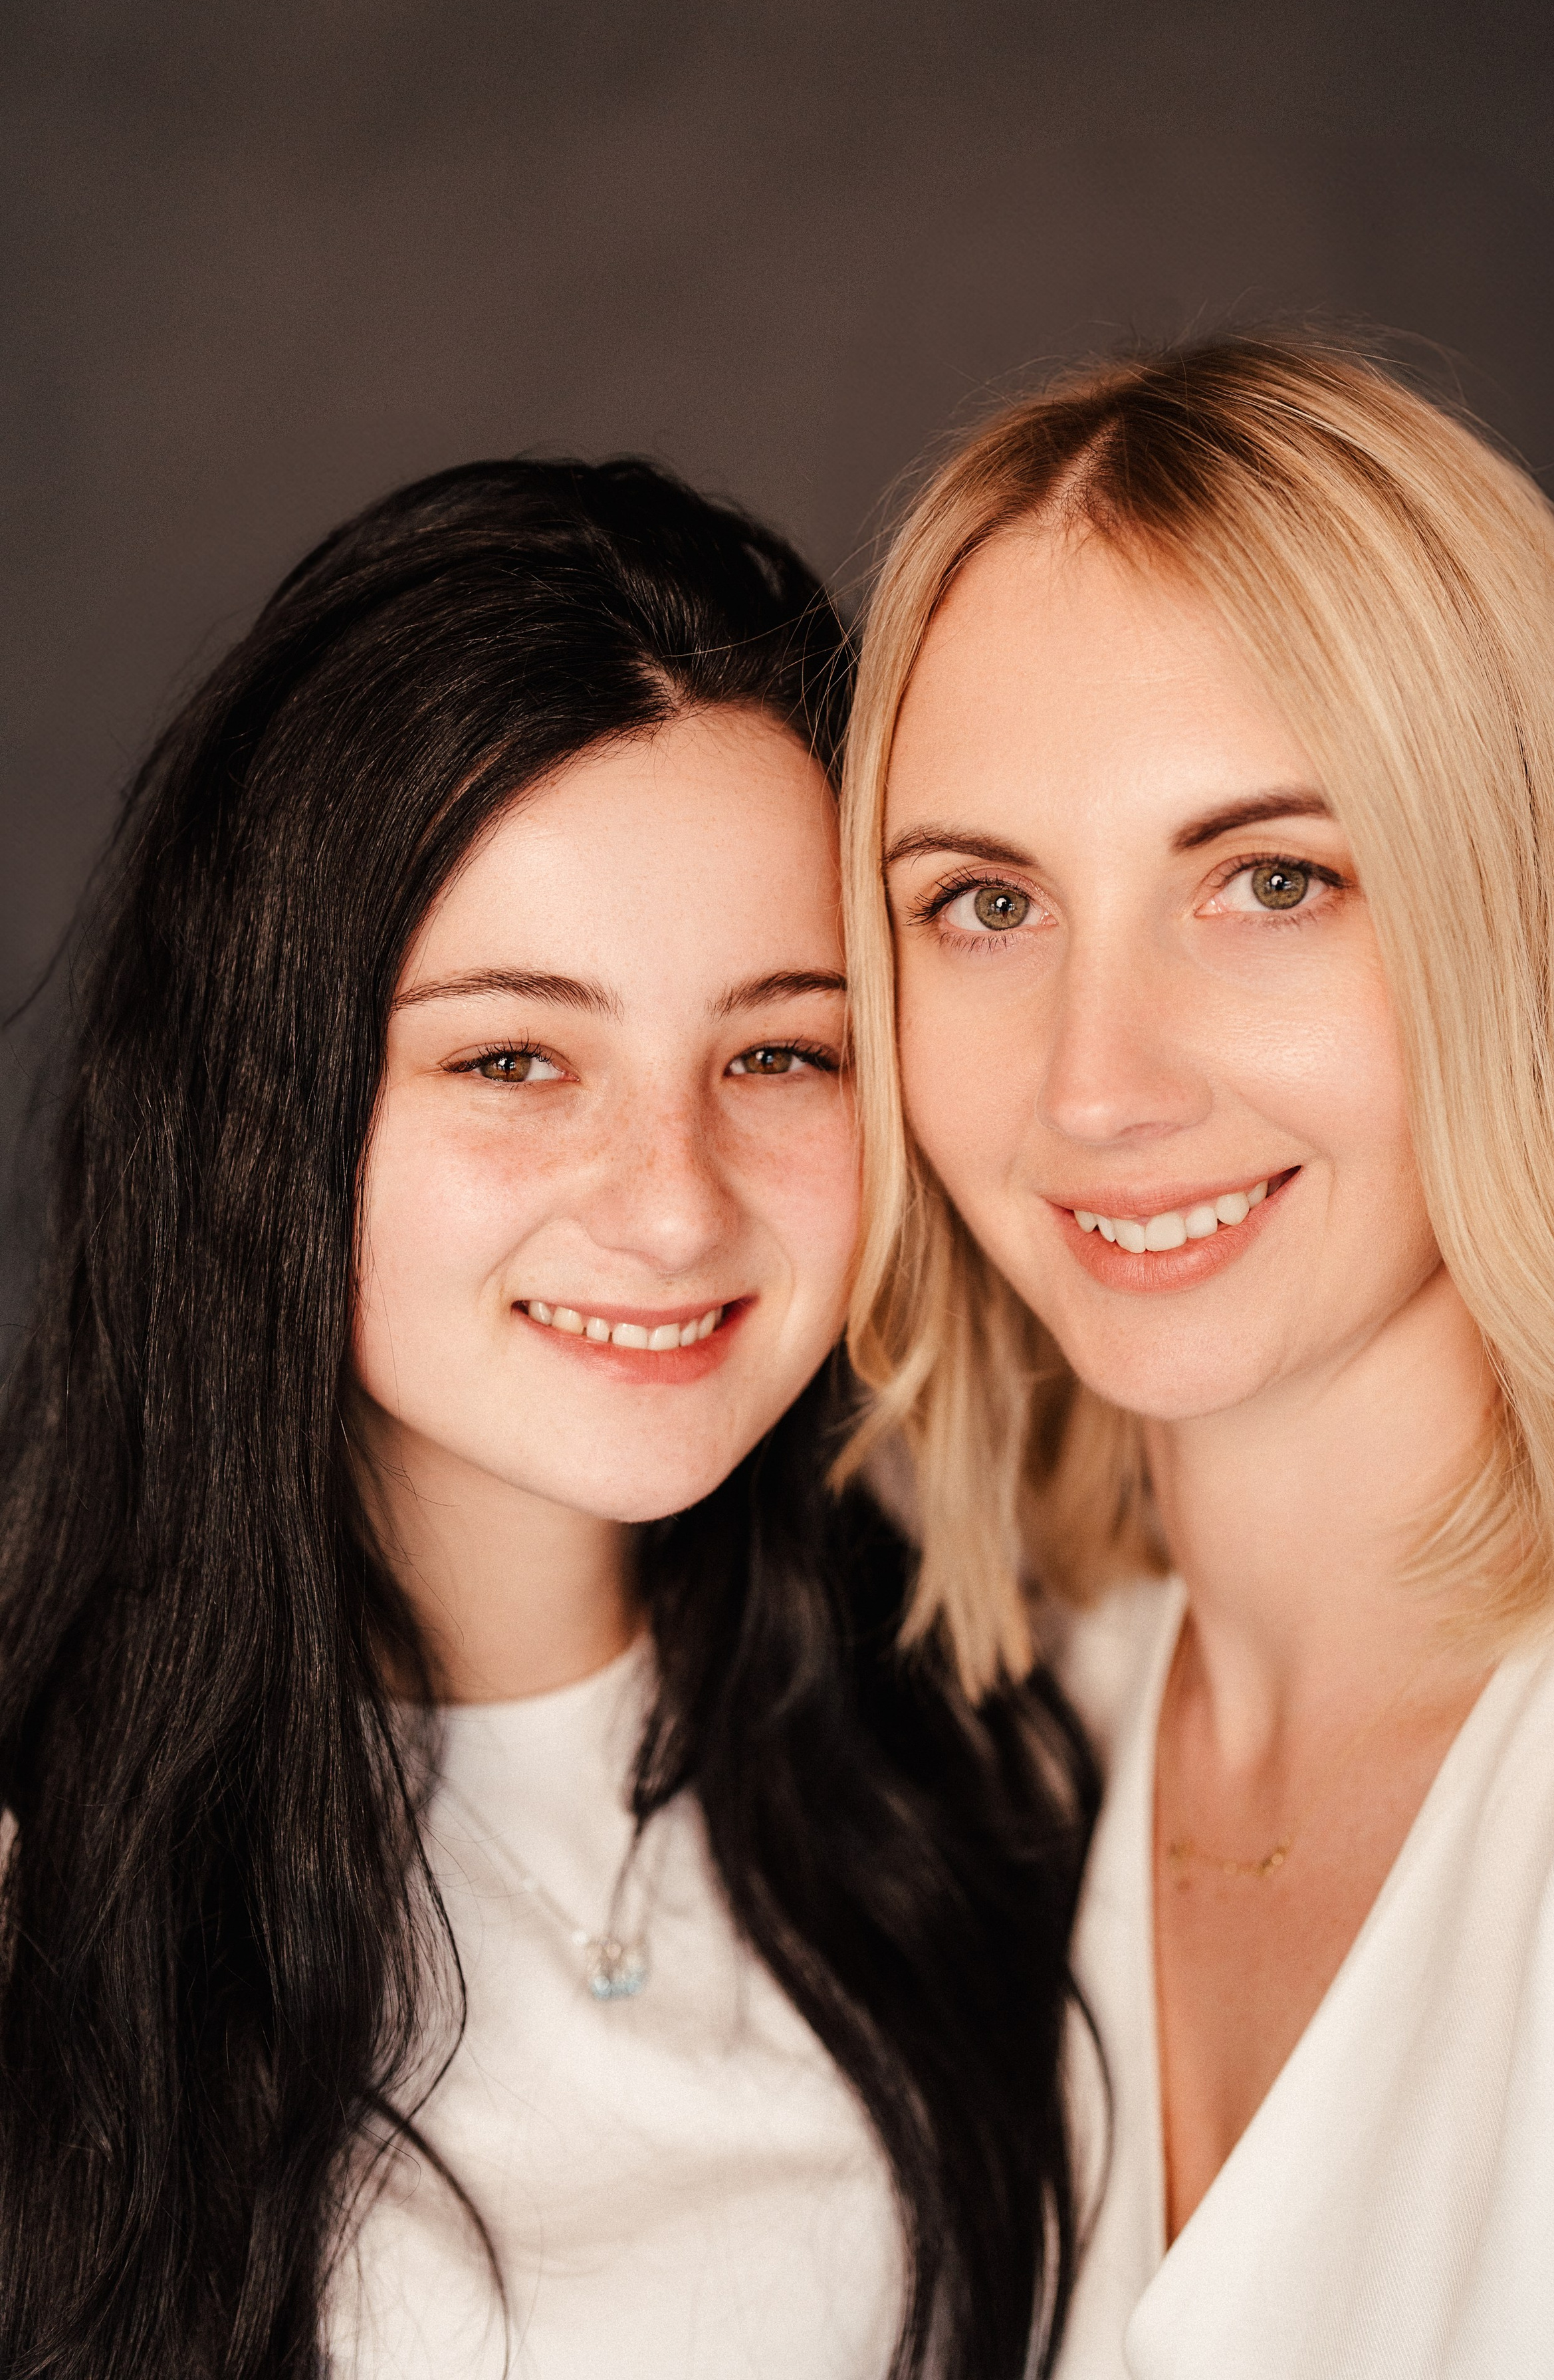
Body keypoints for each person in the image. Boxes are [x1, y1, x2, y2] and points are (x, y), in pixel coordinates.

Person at [0, 458, 1097, 2380]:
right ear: (263, 1103)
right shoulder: (43, 1894)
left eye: (780, 1051)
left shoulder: (999, 1753)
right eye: (514, 1056)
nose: (673, 1202)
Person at [838, 335, 1554, 2377]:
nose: (1100, 1084)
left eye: (1274, 880)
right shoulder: (991, 1752)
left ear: (1525, 921)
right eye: (984, 904)